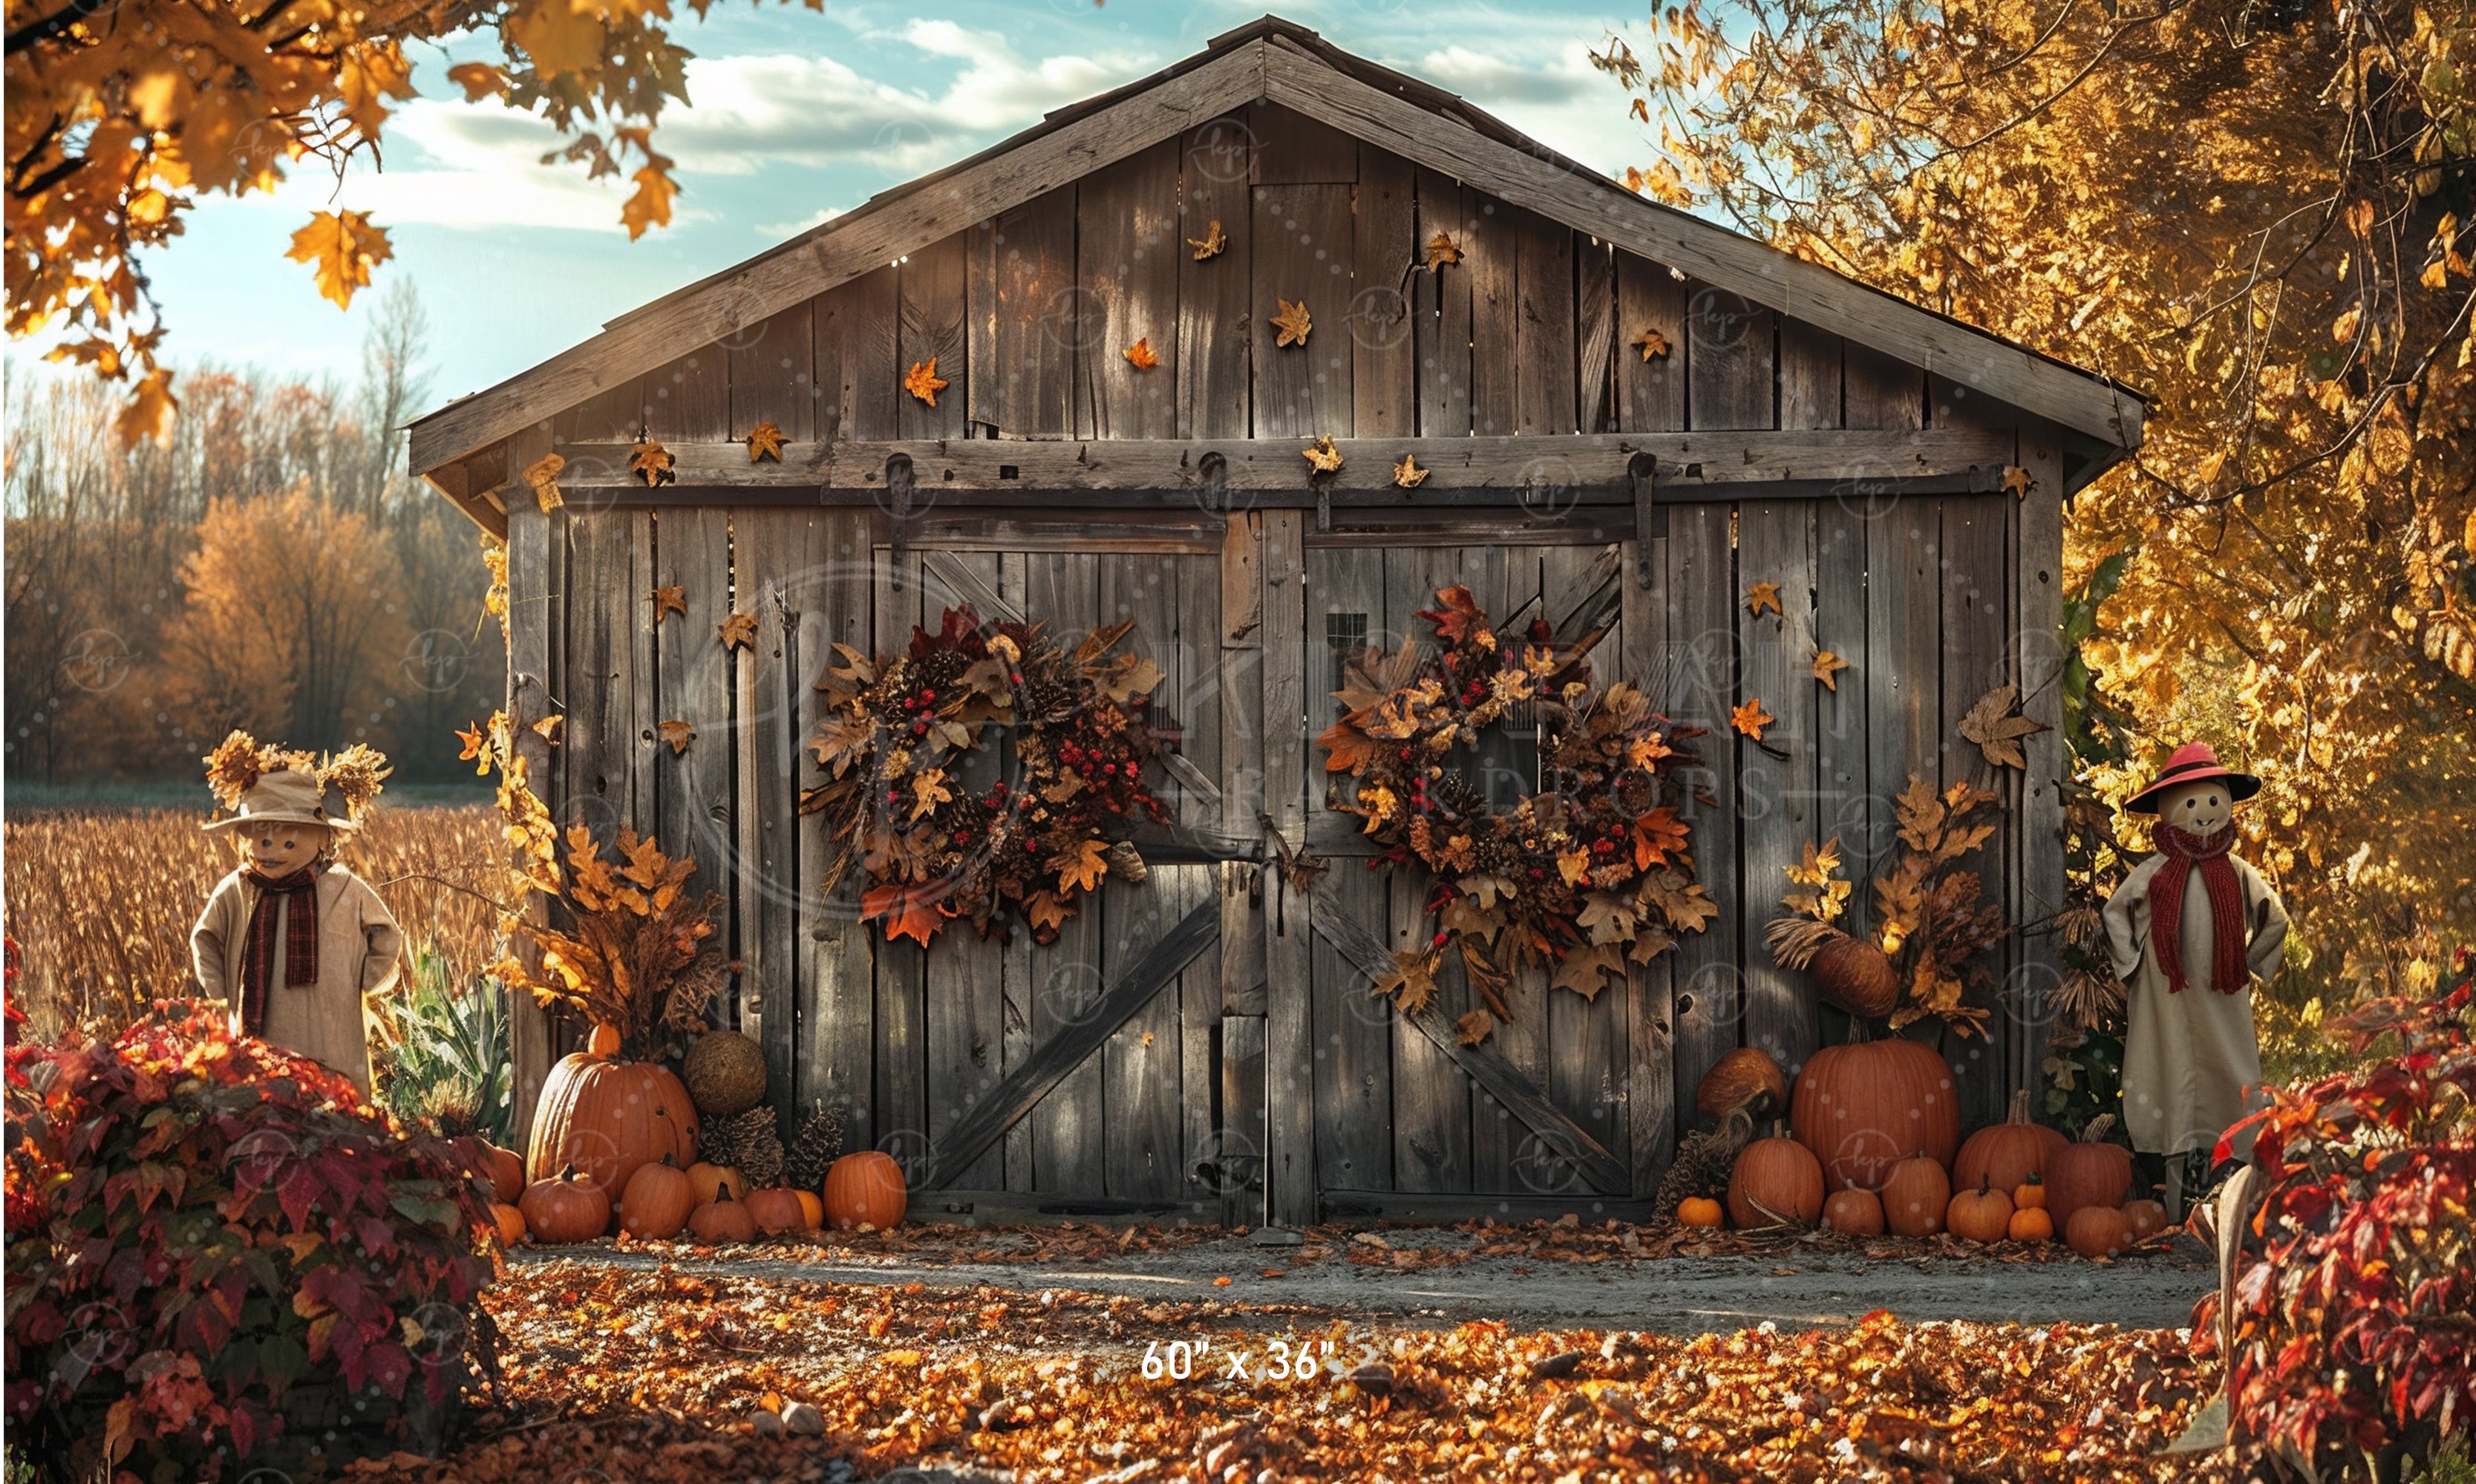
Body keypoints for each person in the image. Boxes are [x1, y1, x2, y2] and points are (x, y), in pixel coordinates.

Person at [2101, 742, 2290, 1218]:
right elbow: (2115, 914)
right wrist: (2135, 965)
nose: (2203, 814)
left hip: (2223, 994)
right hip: (2166, 994)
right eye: (2190, 804)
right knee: (2167, 1076)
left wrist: (2249, 961)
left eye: (2210, 801)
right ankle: (2173, 1197)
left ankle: (2237, 1190)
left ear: (2226, 803)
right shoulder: (2154, 873)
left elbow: (2275, 917)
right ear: (2168, 811)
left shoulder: (2238, 872)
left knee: (2232, 1075)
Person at [190, 734, 402, 1095]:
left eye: (288, 843)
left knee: (334, 1107)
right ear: (247, 838)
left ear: (321, 838)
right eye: (263, 841)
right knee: (263, 1099)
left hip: (332, 1028)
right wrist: (222, 989)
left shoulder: (343, 888)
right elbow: (206, 937)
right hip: (260, 1028)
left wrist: (366, 979)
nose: (271, 852)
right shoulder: (238, 889)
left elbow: (386, 935)